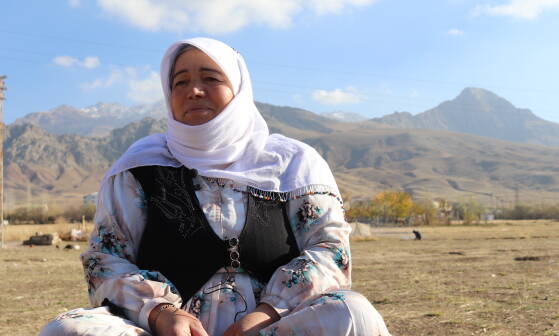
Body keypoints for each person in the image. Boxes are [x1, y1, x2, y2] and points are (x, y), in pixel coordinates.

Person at [40, 37, 390, 336]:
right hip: (161, 331)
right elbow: (105, 258)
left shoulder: (294, 165)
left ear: (238, 89)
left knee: (353, 314)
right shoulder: (139, 168)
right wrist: (161, 313)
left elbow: (330, 250)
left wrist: (266, 313)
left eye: (210, 78)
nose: (194, 91)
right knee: (66, 331)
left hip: (275, 327)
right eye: (180, 82)